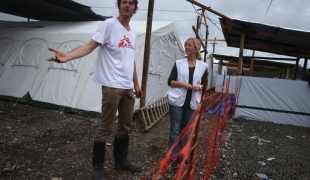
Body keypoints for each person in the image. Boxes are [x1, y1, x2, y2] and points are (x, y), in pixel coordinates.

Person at [47, 0, 142, 179]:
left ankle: (121, 162)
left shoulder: (133, 32)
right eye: (124, 2)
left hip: (128, 87)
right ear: (119, 5)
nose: (127, 5)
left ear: (135, 8)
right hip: (112, 86)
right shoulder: (108, 25)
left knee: (126, 127)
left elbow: (131, 60)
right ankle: (98, 168)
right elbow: (89, 46)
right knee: (106, 127)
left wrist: (136, 83)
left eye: (131, 3)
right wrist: (68, 56)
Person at [166, 37, 208, 166]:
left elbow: (206, 85)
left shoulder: (203, 66)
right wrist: (183, 84)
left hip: (192, 102)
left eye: (189, 45)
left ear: (196, 48)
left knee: (185, 130)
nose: (187, 47)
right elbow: (170, 81)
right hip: (177, 101)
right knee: (175, 130)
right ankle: (172, 157)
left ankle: (182, 154)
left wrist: (199, 87)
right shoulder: (179, 63)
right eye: (186, 45)